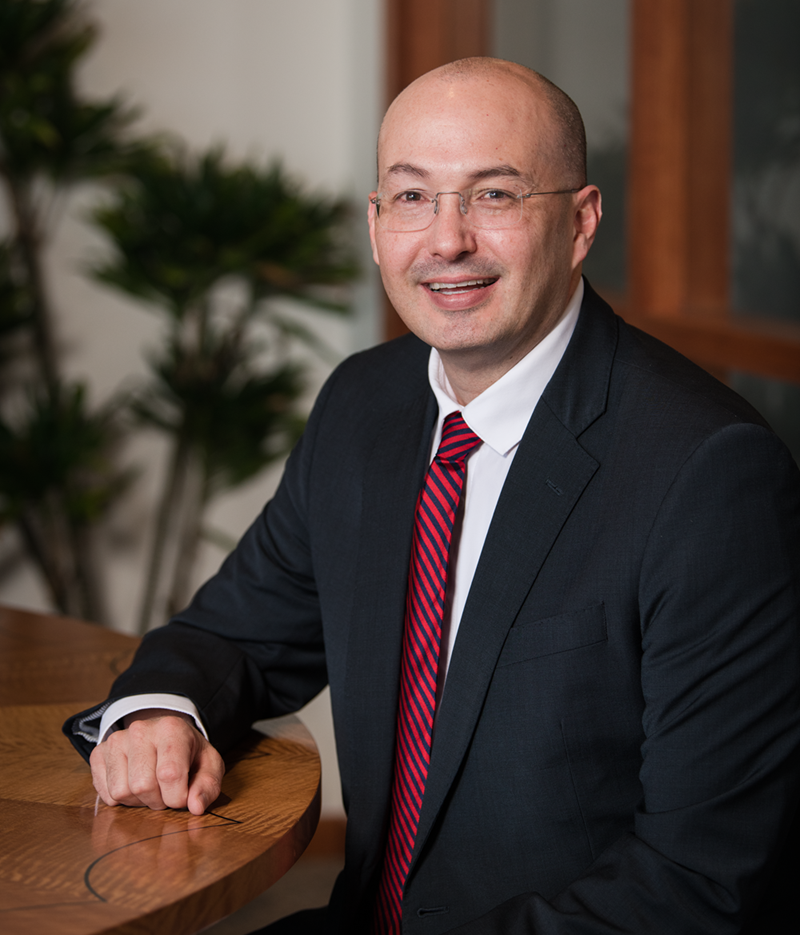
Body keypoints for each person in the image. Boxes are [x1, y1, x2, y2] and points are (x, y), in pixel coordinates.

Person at [65, 58, 800, 934]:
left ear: (580, 222)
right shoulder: (364, 406)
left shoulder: (710, 473)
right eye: (412, 198)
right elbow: (234, 633)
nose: (447, 241)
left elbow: (698, 884)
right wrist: (157, 711)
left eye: (494, 196)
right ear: (375, 228)